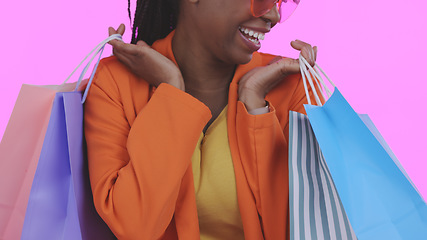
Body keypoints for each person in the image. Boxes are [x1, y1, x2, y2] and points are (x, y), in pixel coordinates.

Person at [84, 0, 318, 239]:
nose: (274, 15)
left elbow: (306, 226)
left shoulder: (294, 86)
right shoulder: (114, 83)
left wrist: (256, 107)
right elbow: (133, 227)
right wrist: (172, 93)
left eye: (282, 2)